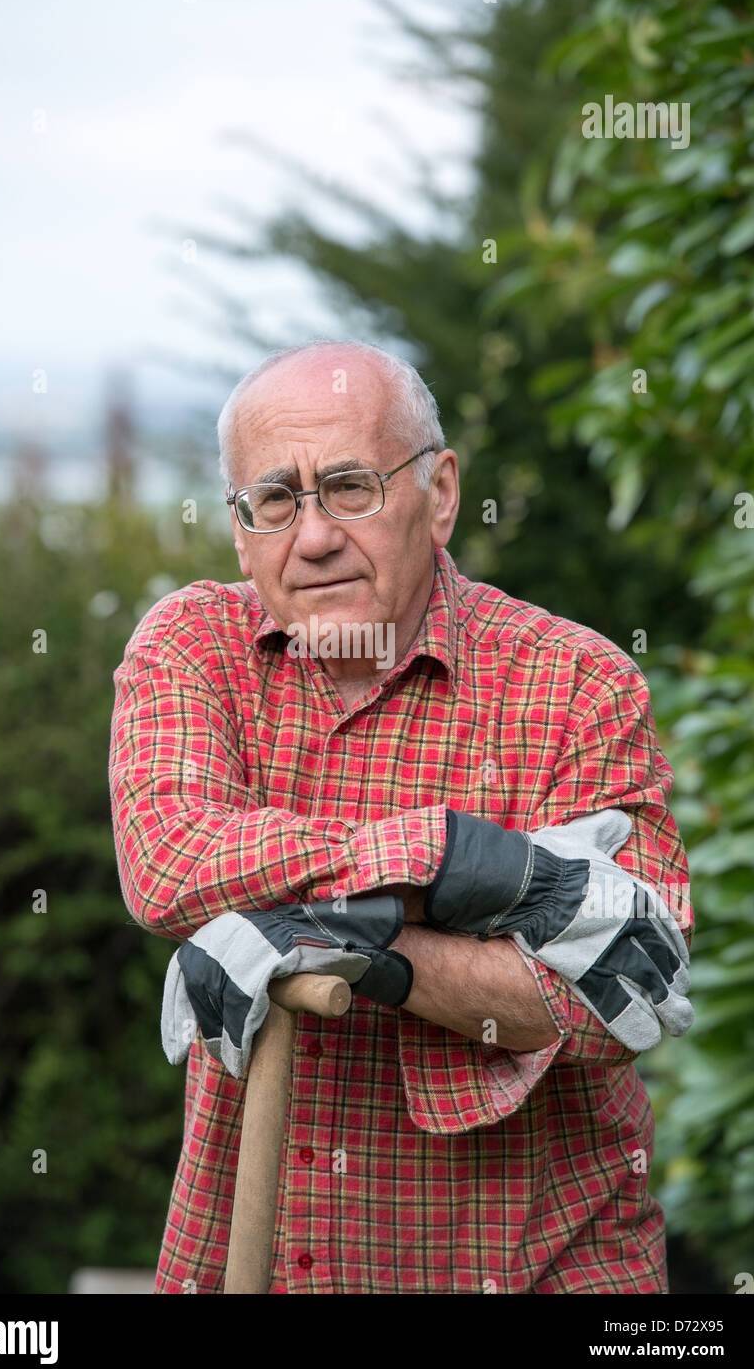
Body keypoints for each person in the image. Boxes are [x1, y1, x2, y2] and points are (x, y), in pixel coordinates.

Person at [108, 340, 693, 1294]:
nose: (313, 537)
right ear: (240, 528)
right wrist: (459, 862)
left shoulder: (576, 683)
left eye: (348, 487)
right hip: (256, 1260)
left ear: (442, 492)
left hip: (542, 1269)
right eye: (275, 502)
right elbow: (169, 865)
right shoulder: (193, 645)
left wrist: (344, 942)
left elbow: (614, 998)